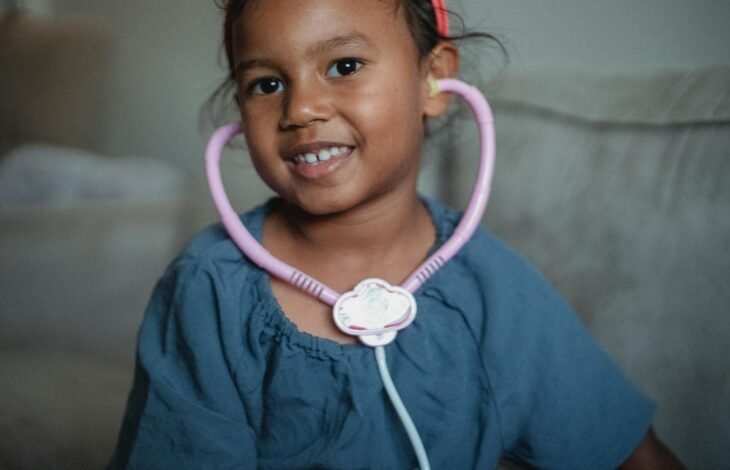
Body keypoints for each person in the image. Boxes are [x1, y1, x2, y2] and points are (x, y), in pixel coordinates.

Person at [110, 0, 684, 468]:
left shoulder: (489, 285)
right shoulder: (210, 289)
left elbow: (636, 454)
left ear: (432, 80)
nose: (301, 108)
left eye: (344, 66)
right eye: (265, 83)